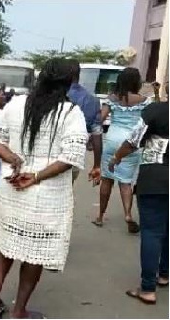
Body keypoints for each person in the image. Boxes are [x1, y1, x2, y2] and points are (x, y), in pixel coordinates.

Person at [0, 58, 88, 319]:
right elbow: (71, 157)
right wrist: (37, 176)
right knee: (34, 253)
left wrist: (14, 159)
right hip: (46, 194)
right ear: (69, 82)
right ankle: (19, 311)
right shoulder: (70, 112)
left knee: (7, 246)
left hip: (12, 186)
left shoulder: (17, 103)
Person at [107, 92, 168, 305]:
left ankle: (147, 288)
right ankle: (164, 273)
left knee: (152, 231)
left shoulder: (156, 111)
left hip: (155, 178)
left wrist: (116, 157)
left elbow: (134, 140)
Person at [95, 68, 151, 233]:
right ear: (137, 82)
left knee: (107, 179)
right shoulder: (144, 100)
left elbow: (101, 118)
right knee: (126, 181)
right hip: (131, 143)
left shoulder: (112, 98)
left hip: (112, 140)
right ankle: (127, 214)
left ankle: (100, 216)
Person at [66, 59, 103, 185]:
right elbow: (97, 134)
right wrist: (97, 165)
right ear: (79, 74)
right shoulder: (92, 100)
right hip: (73, 158)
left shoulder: (52, 96)